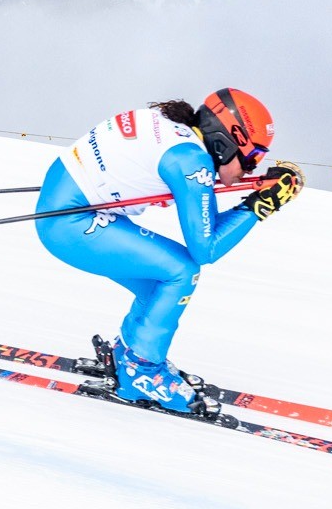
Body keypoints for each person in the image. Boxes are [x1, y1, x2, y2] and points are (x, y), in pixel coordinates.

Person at [34, 90, 302, 414]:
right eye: (253, 156)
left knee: (160, 286)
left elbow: (204, 213)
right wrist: (261, 206)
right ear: (229, 139)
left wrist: (258, 193)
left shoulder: (181, 136)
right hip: (71, 223)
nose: (251, 168)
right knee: (182, 271)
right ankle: (141, 371)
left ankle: (133, 355)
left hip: (64, 205)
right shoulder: (191, 160)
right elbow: (206, 247)